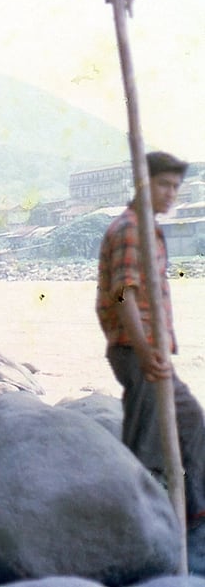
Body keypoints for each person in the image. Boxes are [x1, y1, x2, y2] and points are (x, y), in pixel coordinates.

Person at [95, 150, 205, 530]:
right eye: (163, 185)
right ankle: (131, 525)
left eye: (175, 186)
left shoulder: (148, 228)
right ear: (143, 184)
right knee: (145, 444)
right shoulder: (130, 229)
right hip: (135, 349)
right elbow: (123, 294)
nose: (171, 193)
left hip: (149, 351)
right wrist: (143, 351)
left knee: (190, 422)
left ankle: (194, 514)